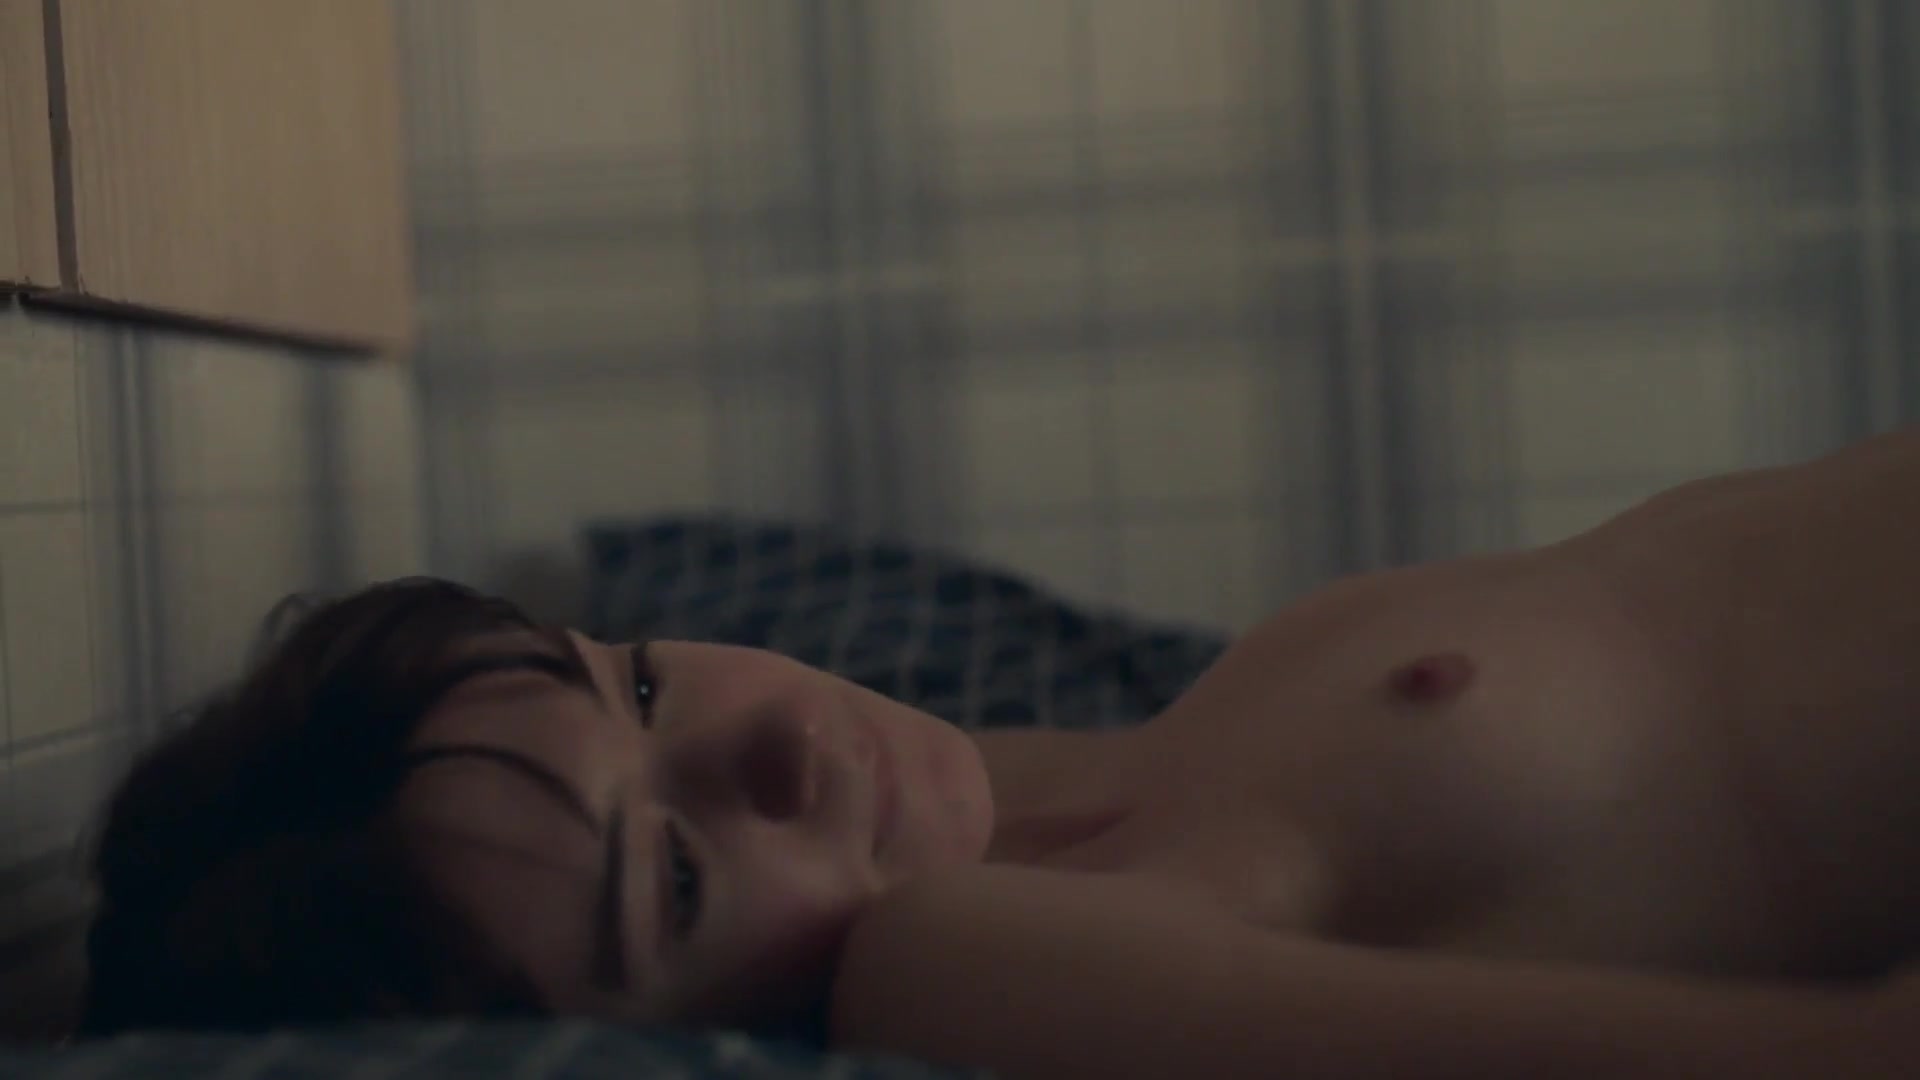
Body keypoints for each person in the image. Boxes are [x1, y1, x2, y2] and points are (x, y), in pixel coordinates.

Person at [77, 427, 1920, 1077]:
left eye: (635, 688)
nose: (777, 740)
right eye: (681, 880)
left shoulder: (1077, 775)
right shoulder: (956, 958)